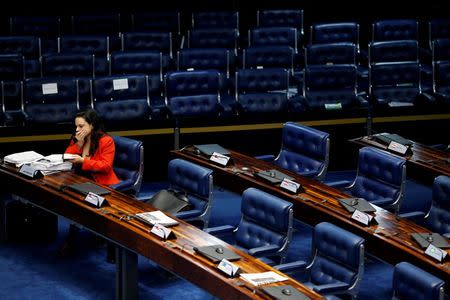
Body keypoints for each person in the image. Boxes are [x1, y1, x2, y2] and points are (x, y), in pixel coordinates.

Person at [58, 109, 119, 262]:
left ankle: (111, 248)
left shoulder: (106, 141)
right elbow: (67, 156)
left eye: (81, 126)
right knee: (72, 202)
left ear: (92, 125)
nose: (77, 130)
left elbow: (105, 166)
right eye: (76, 126)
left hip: (101, 183)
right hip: (81, 180)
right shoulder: (78, 138)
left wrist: (83, 161)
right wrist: (78, 144)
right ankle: (71, 240)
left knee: (92, 209)